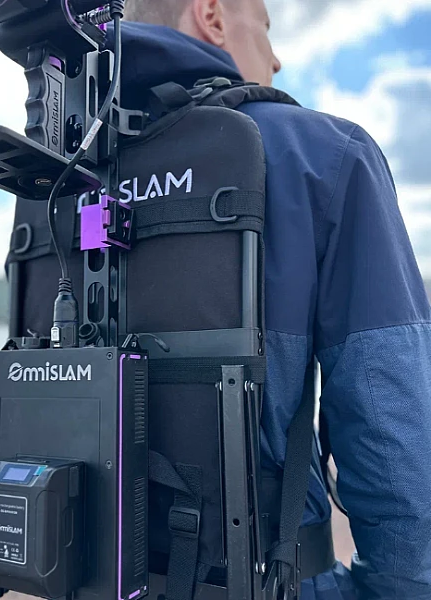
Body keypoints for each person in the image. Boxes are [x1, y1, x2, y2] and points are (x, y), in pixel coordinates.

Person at [109, 1, 431, 599]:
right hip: (269, 580)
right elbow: (393, 428)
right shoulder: (323, 154)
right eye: (265, 25)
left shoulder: (64, 174)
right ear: (212, 15)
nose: (276, 58)